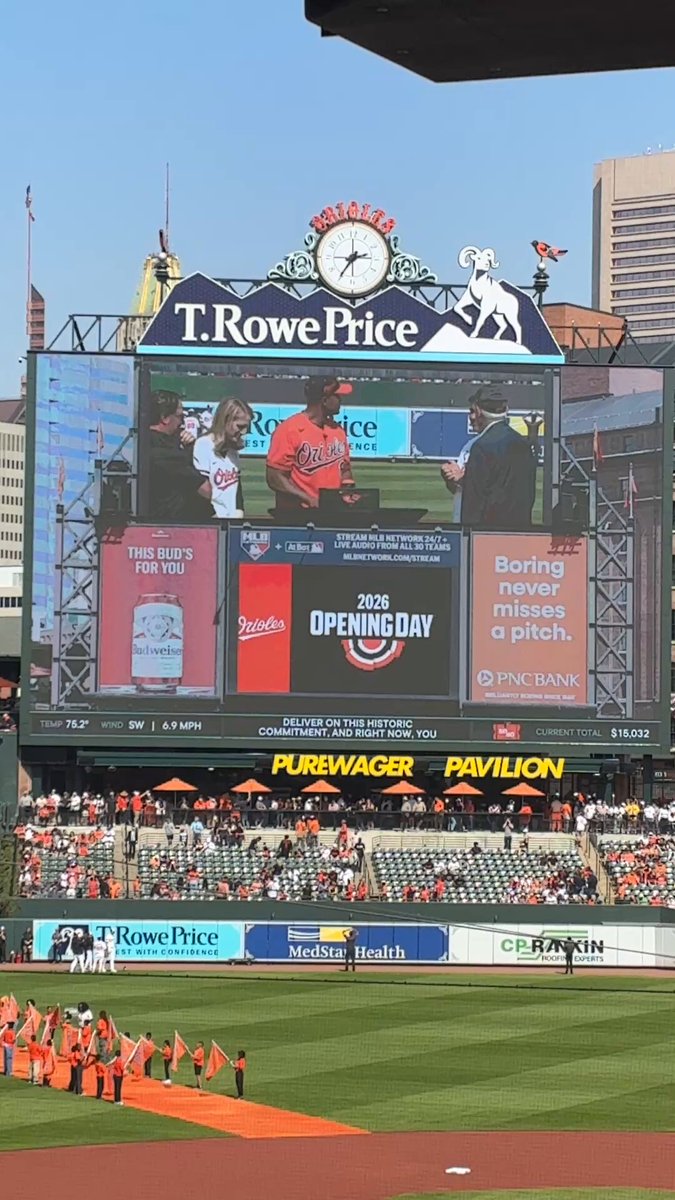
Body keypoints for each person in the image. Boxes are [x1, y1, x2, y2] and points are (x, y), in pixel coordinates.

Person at [440, 388, 537, 529]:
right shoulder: (523, 443)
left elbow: (475, 501)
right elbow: (526, 495)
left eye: (472, 411)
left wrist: (469, 535)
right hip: (520, 530)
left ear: (479, 412)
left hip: (486, 533)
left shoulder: (481, 446)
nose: (471, 417)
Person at [265, 377, 354, 512]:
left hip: (333, 513)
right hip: (298, 516)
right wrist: (306, 498)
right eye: (337, 395)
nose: (340, 400)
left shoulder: (338, 431)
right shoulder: (289, 430)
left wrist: (347, 488)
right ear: (324, 401)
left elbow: (345, 470)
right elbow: (274, 477)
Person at [146, 390, 212, 522]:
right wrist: (191, 450)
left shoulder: (139, 443)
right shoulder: (168, 454)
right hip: (172, 526)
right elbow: (207, 491)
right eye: (180, 417)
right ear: (165, 418)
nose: (182, 423)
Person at [192, 397, 253, 519]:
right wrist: (213, 519)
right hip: (210, 522)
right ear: (226, 421)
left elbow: (236, 490)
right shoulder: (204, 445)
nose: (244, 432)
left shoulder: (232, 451)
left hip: (230, 521)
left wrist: (238, 512)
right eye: (240, 426)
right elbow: (200, 492)